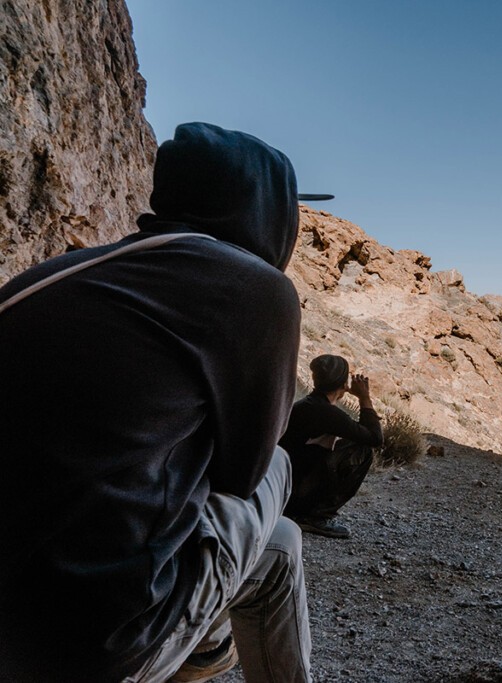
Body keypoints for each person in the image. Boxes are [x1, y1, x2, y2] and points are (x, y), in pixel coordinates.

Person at [0, 123, 312, 682]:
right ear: (268, 209)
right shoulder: (255, 288)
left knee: (282, 546)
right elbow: (242, 475)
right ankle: (202, 650)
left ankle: (206, 643)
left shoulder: (67, 272)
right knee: (280, 465)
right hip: (95, 646)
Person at [279, 355, 384, 539]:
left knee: (350, 443)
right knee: (363, 451)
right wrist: (364, 398)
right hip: (295, 495)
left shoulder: (308, 405)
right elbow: (375, 438)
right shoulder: (327, 413)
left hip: (284, 490)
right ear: (343, 383)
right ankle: (316, 517)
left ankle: (306, 512)